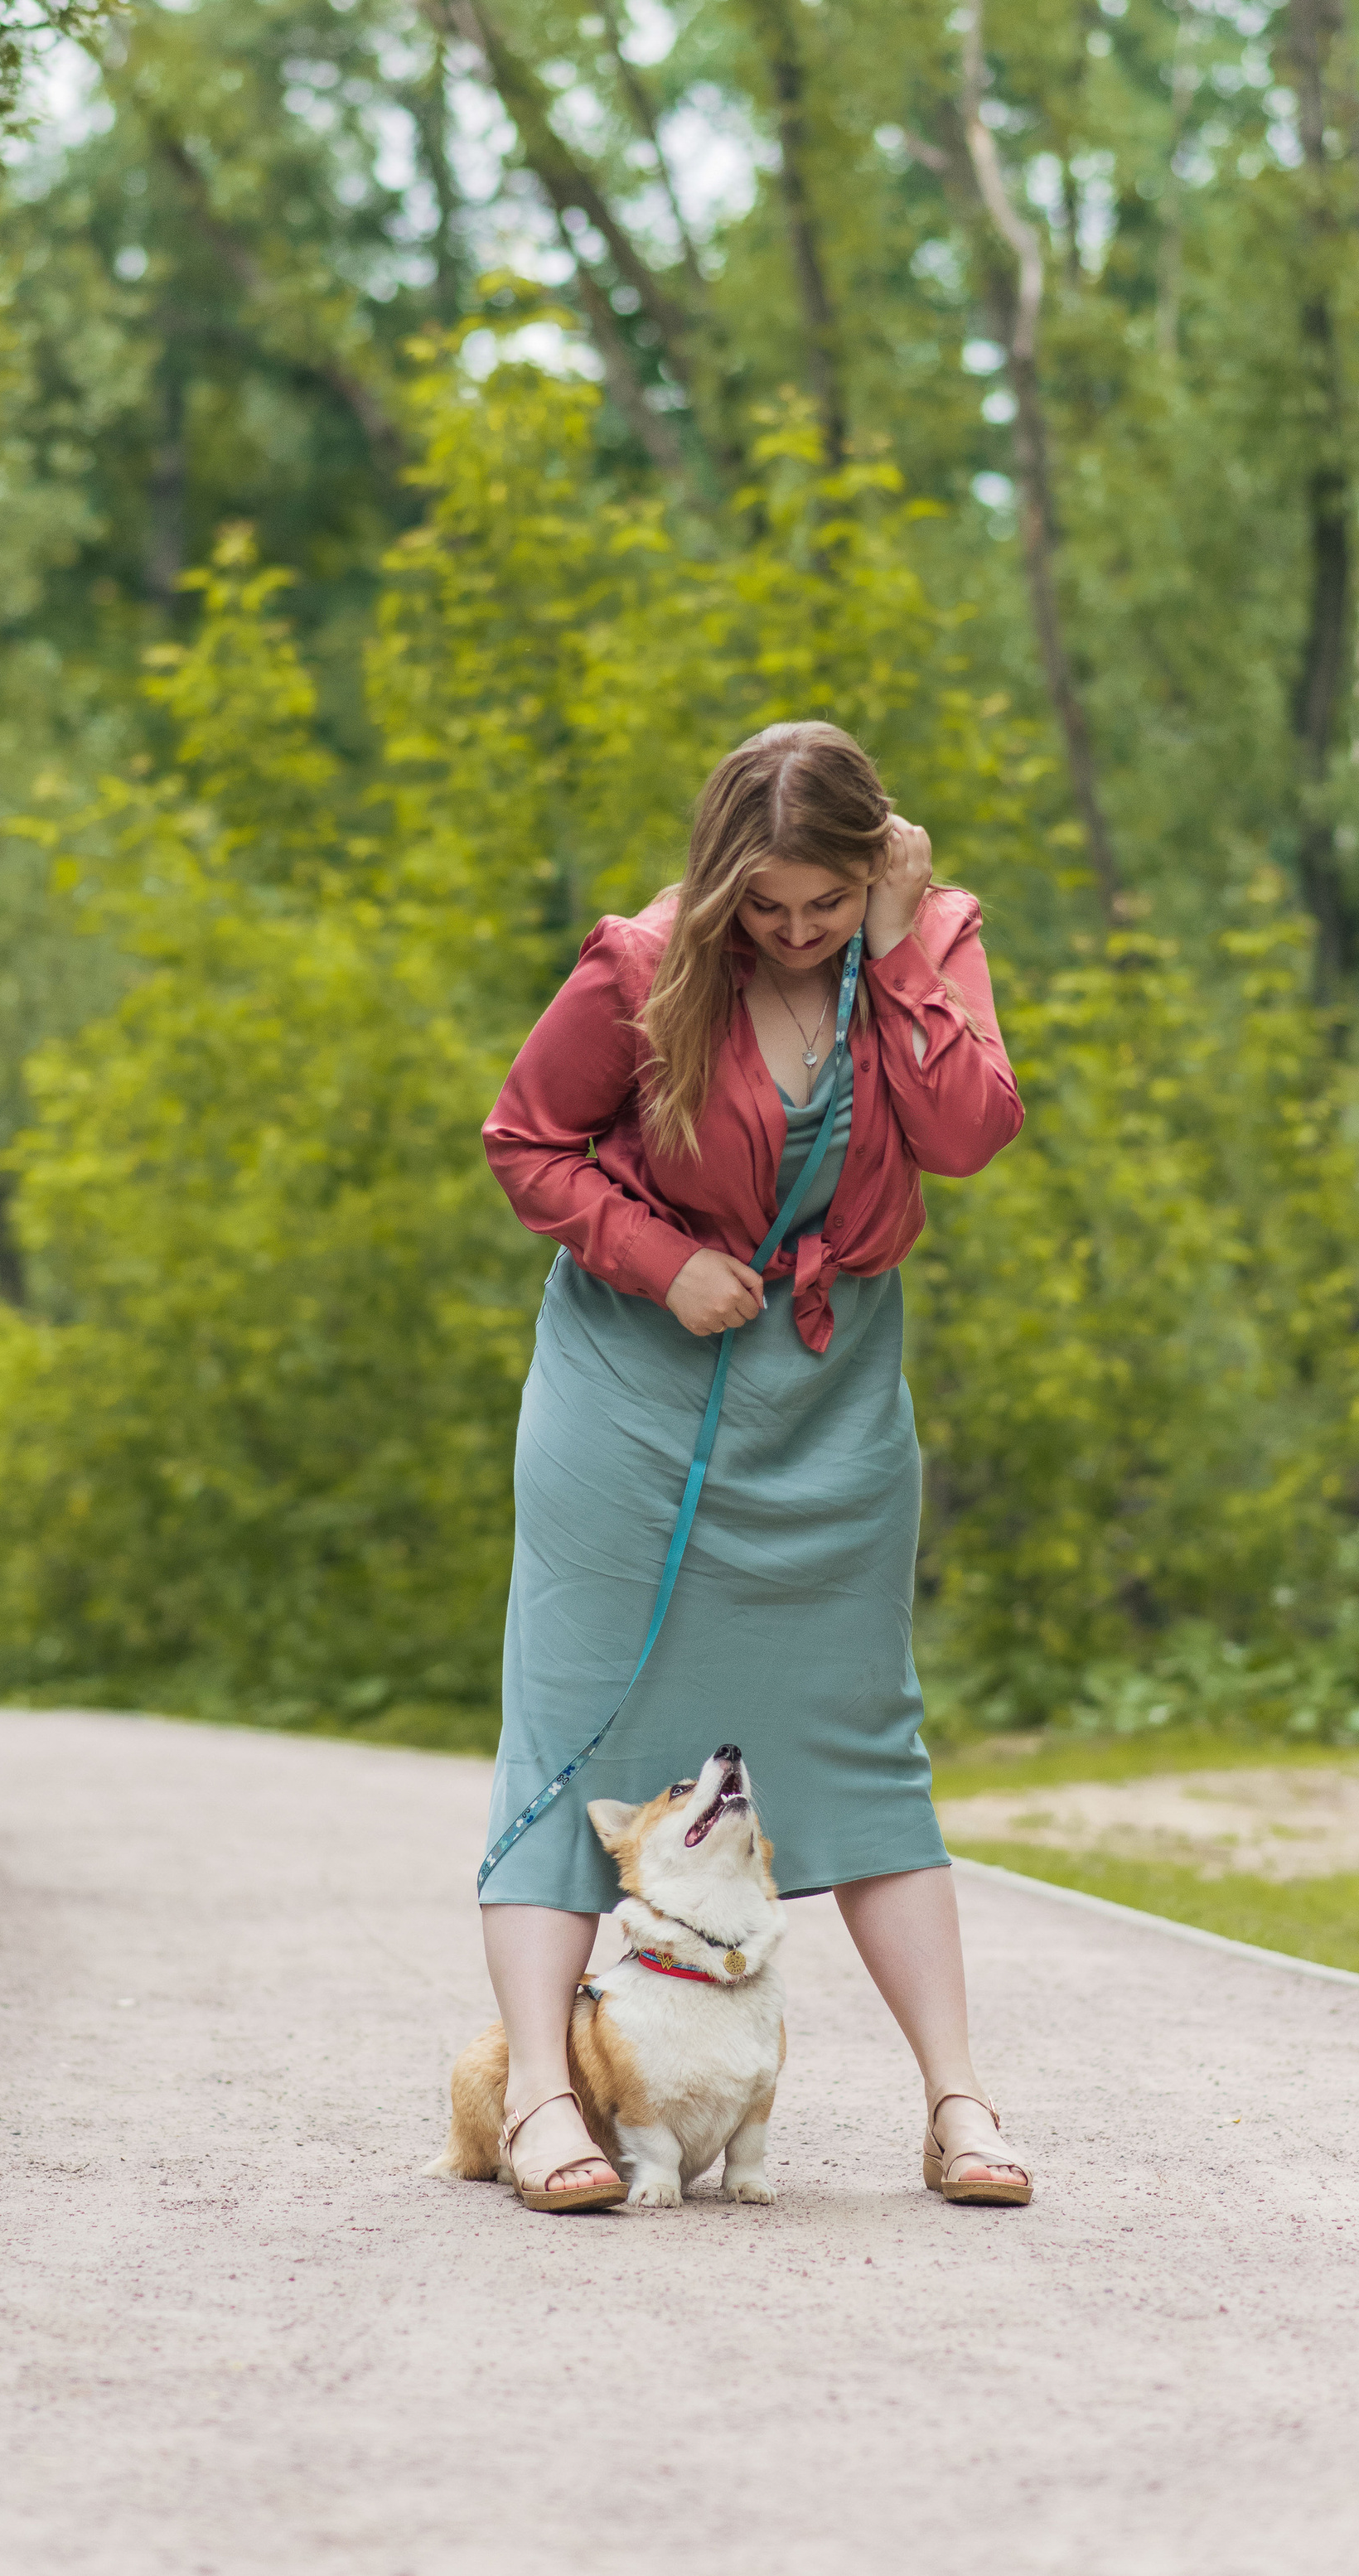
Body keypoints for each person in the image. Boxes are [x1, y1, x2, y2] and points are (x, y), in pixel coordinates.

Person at [476, 721, 1030, 2211]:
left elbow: (970, 1133)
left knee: (861, 1737)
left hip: (832, 1397)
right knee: (577, 1737)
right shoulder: (641, 967)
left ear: (877, 869)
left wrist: (901, 945)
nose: (791, 934)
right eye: (763, 907)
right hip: (631, 1388)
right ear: (722, 881)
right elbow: (527, 1142)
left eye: (824, 905)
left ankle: (958, 2103)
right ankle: (541, 2102)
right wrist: (657, 1261)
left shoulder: (929, 940)